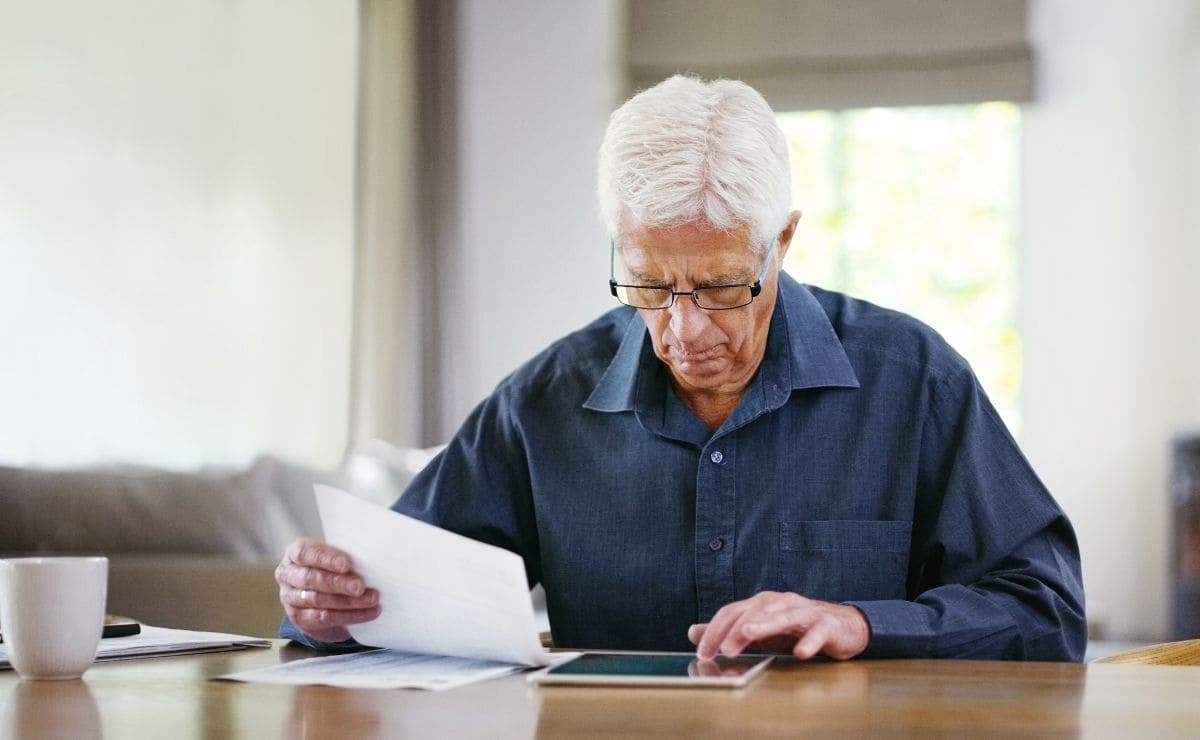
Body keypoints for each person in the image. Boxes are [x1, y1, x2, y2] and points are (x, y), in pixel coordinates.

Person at [275, 75, 1086, 662]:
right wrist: (333, 608)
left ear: (785, 242)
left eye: (724, 285)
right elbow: (399, 593)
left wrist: (863, 622)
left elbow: (1047, 612)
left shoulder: (914, 380)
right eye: (650, 285)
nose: (683, 329)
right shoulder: (543, 403)